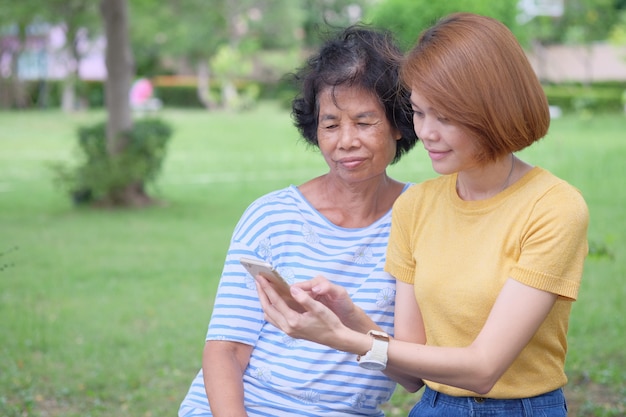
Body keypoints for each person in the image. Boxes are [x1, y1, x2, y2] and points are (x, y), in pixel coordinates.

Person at [255, 12, 589, 417]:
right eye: (419, 112)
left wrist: (342, 339)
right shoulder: (417, 205)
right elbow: (412, 370)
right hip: (434, 407)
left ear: (494, 110)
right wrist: (350, 317)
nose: (426, 132)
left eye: (445, 117)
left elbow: (483, 369)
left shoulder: (553, 207)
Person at [178, 25, 418, 417]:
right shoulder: (271, 217)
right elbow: (226, 350)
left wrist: (349, 323)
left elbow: (413, 377)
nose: (346, 141)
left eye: (363, 121)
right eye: (330, 124)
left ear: (397, 123)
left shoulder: (421, 218)